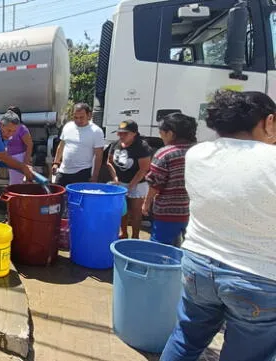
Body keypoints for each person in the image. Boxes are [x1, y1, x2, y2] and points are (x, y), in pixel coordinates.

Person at [160, 90, 276, 361]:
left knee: (185, 339)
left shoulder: (198, 154)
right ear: (269, 121)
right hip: (257, 277)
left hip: (198, 265)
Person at [142, 113, 197, 246]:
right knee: (189, 247)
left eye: (161, 132)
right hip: (193, 211)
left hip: (168, 212)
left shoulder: (165, 153)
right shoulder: (199, 151)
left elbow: (156, 183)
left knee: (159, 247)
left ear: (170, 133)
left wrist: (146, 203)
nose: (160, 136)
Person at [106, 120, 151, 239]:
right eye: (119, 133)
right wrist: (115, 178)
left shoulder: (141, 147)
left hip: (138, 184)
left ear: (134, 133)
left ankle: (135, 236)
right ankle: (123, 232)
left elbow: (144, 168)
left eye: (125, 133)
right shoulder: (115, 144)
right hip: (120, 183)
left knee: (136, 212)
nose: (121, 136)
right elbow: (109, 162)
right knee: (122, 210)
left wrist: (132, 184)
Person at [52, 103, 104, 186]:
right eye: (75, 117)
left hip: (82, 172)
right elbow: (61, 146)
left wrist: (95, 176)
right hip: (63, 171)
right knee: (57, 196)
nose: (78, 120)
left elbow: (99, 155)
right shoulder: (68, 126)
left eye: (81, 117)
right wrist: (56, 163)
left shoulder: (96, 131)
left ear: (89, 115)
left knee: (77, 198)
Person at [5, 106, 33, 185]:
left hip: (19, 158)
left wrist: (26, 162)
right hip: (11, 159)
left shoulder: (22, 128)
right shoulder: (8, 128)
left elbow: (30, 145)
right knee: (15, 183)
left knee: (15, 184)